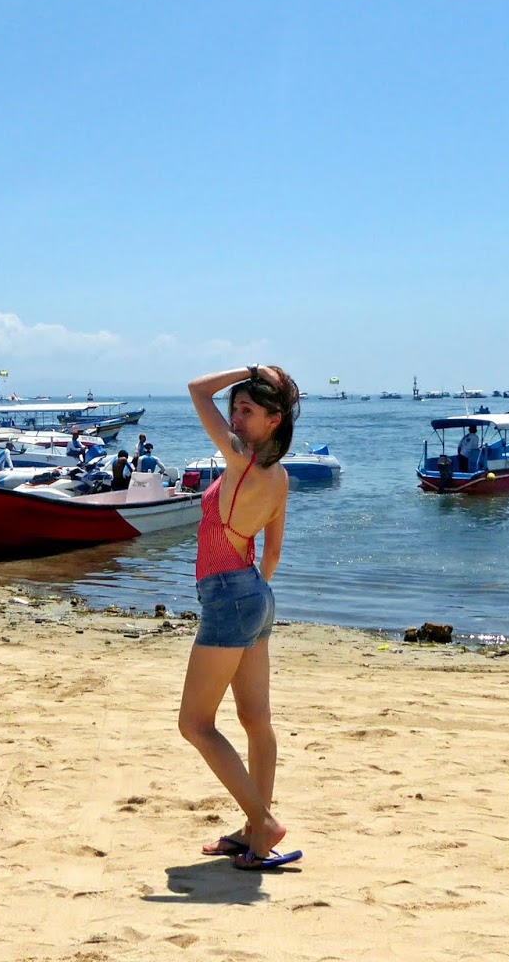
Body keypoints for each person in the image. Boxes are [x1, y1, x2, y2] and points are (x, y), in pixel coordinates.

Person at [180, 364, 302, 872]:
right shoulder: (279, 475)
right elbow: (271, 552)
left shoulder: (240, 458)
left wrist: (250, 369)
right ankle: (254, 835)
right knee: (255, 720)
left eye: (247, 409)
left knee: (194, 724)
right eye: (234, 408)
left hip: (231, 594)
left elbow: (196, 390)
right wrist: (253, 599)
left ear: (274, 421)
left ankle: (263, 821)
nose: (235, 416)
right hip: (253, 593)